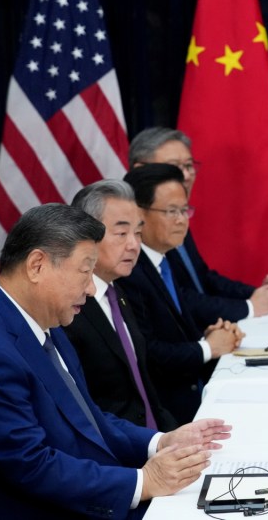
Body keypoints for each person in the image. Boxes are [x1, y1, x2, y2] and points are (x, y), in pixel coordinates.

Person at [0, 204, 231, 519]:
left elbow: (88, 419)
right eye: (85, 271)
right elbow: (31, 466)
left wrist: (160, 442)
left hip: (92, 493)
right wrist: (143, 482)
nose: (92, 289)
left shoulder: (46, 324)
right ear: (37, 265)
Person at [117, 163, 268, 424]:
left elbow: (183, 314)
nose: (181, 219)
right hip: (169, 413)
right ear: (139, 214)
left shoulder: (164, 258)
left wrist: (213, 334)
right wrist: (207, 347)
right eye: (171, 211)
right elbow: (148, 354)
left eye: (184, 210)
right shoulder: (130, 271)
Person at [129, 127, 268, 302]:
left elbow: (201, 278)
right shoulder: (133, 227)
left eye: (189, 166)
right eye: (174, 167)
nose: (185, 175)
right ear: (140, 170)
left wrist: (256, 294)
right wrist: (250, 307)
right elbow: (176, 298)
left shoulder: (178, 211)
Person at [65, 179, 178, 430]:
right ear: (86, 237)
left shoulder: (120, 294)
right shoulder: (69, 309)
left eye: (138, 233)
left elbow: (145, 391)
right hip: (119, 455)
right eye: (121, 233)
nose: (133, 244)